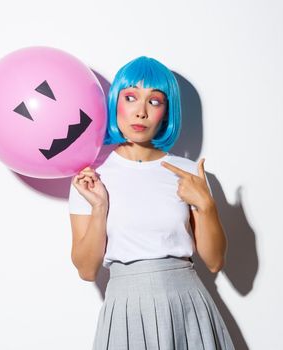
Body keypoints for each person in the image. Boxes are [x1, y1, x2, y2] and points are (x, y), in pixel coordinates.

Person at [69, 56, 235, 349]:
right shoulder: (91, 178)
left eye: (155, 101)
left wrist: (206, 206)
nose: (141, 112)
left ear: (166, 112)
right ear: (115, 103)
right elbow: (86, 270)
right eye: (131, 97)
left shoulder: (188, 173)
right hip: (126, 309)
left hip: (187, 306)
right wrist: (99, 208)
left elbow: (214, 261)